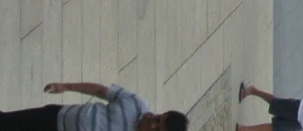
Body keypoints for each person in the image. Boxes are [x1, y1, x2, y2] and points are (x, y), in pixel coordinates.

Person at [0, 82, 187, 131]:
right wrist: (66, 86)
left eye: (157, 130)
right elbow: (100, 91)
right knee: (6, 122)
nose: (152, 125)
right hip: (57, 116)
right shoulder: (136, 103)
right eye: (157, 120)